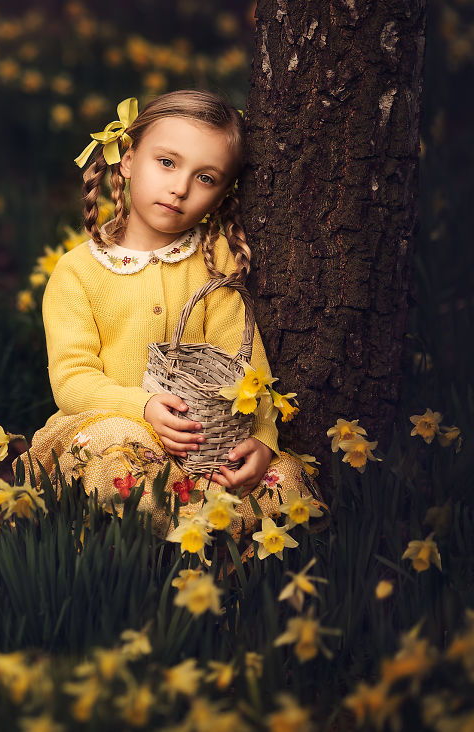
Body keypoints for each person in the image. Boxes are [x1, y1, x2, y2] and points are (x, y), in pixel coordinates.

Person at [18, 90, 321, 539]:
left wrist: (261, 437)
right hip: (110, 428)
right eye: (166, 162)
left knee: (286, 480)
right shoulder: (78, 272)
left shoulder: (215, 259)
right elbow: (71, 379)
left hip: (199, 443)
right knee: (114, 450)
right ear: (127, 159)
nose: (180, 188)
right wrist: (141, 408)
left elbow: (245, 364)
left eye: (205, 177)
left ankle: (204, 553)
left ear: (222, 195)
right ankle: (135, 546)